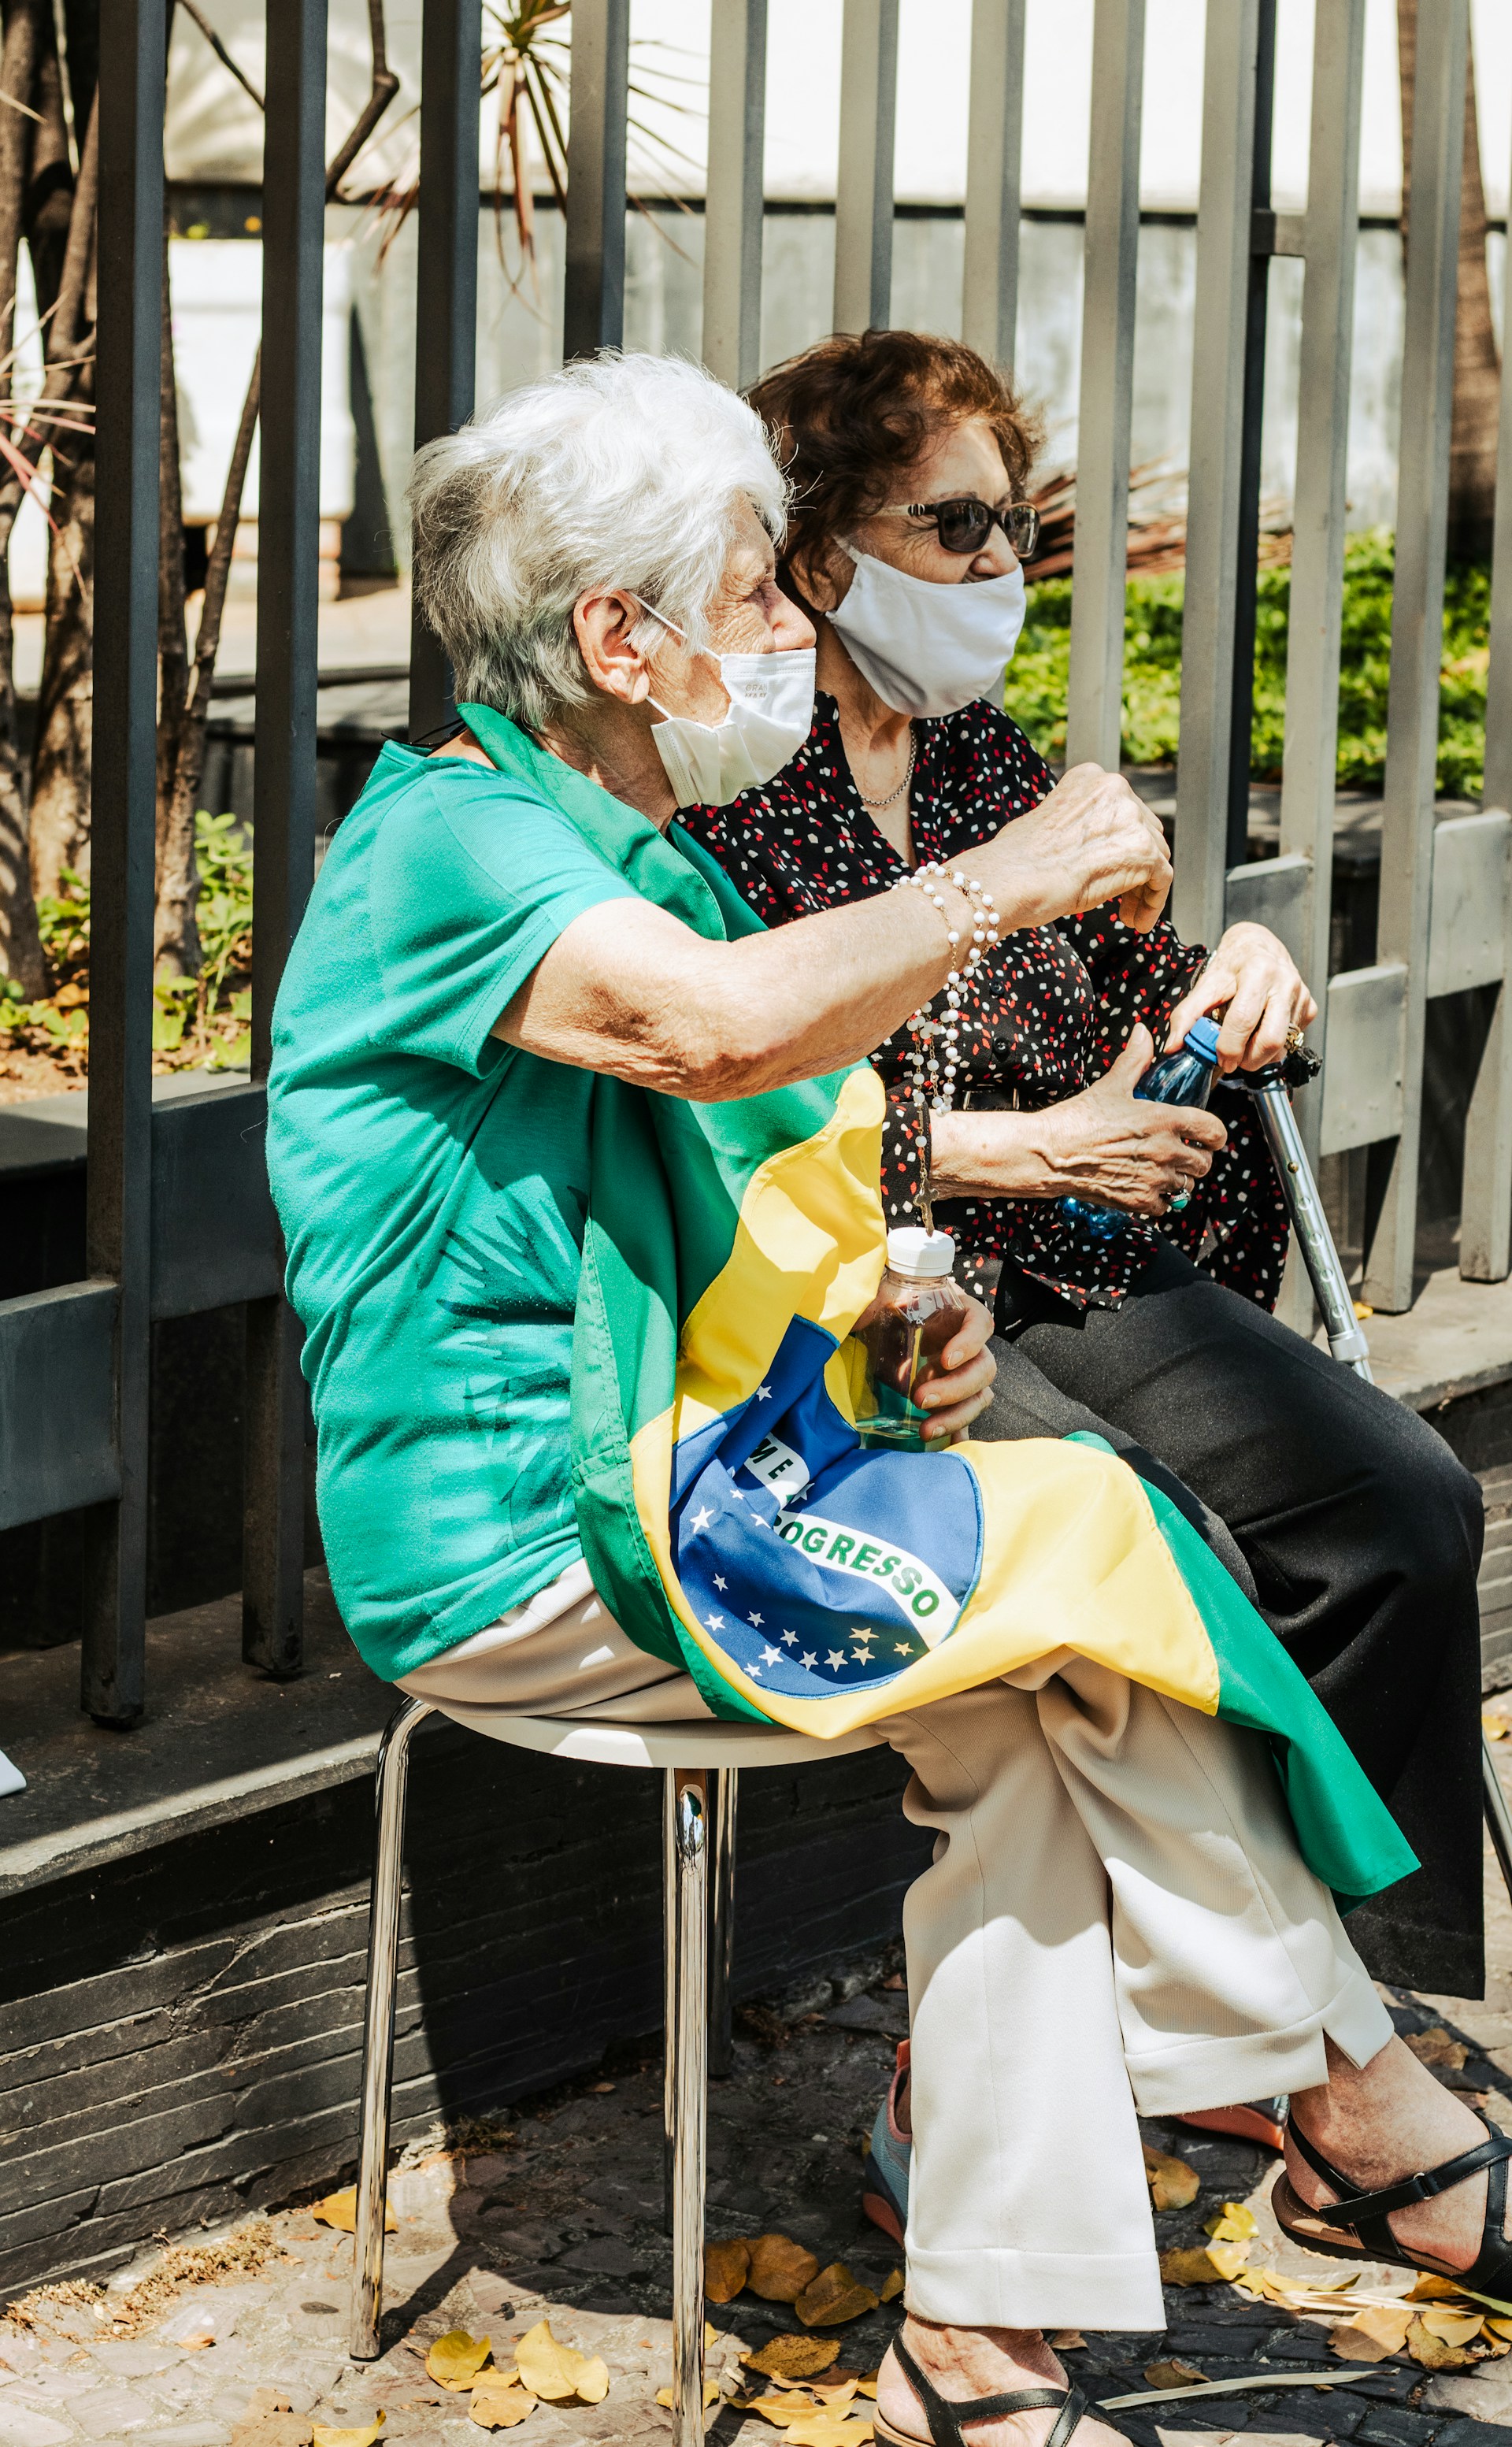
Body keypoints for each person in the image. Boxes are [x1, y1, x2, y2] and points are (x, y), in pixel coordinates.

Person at [265, 354, 1506, 2447]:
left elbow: (811, 1181)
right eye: (759, 589)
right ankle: (1350, 2083)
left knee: (1052, 1709)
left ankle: (987, 2348)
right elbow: (719, 1037)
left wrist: (895, 1324)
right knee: (1107, 1551)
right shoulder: (456, 845)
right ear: (615, 638)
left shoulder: (635, 845)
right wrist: (1006, 876)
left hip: (706, 1475)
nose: (788, 632)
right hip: (523, 1538)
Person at [680, 326, 1485, 2014]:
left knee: (1402, 1504)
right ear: (820, 555)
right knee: (1176, 1552)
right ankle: (1245, 2036)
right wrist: (1014, 1146)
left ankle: (1373, 2001)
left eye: (1019, 530)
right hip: (848, 1301)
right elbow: (727, 1104)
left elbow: (1135, 973)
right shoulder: (727, 792)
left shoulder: (978, 754)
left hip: (1067, 1265)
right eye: (956, 527)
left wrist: (1233, 976)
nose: (1002, 566)